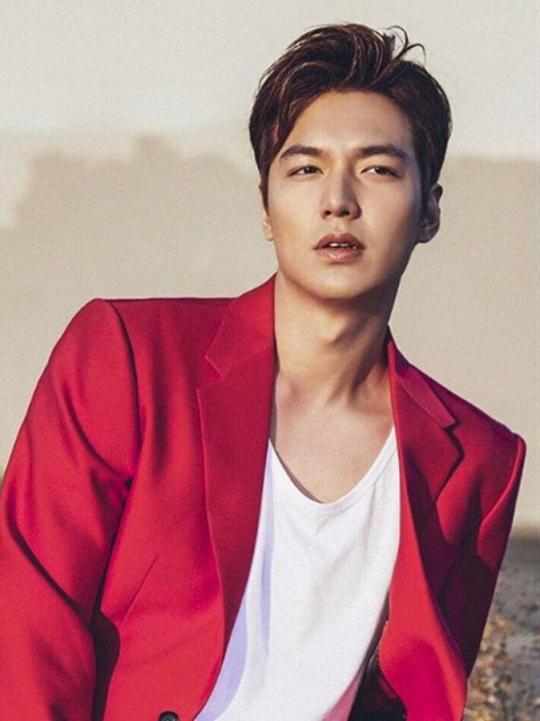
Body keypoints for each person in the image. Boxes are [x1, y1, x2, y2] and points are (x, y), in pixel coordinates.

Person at [0, 21, 526, 721]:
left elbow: (414, 696)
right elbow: (29, 627)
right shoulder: (128, 359)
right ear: (266, 210)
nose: (338, 200)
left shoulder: (478, 461)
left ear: (429, 209)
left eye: (378, 168)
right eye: (305, 169)